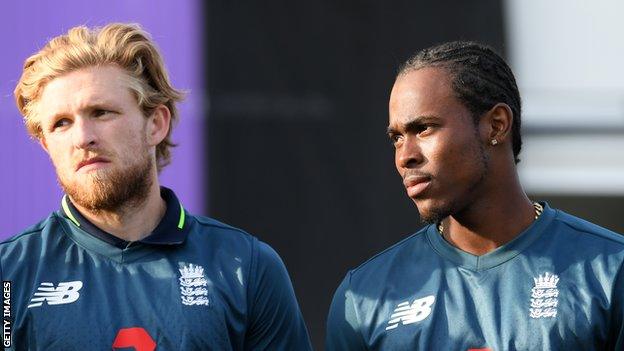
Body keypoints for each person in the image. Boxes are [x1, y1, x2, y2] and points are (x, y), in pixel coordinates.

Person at [1, 23, 312, 350]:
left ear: (156, 124)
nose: (82, 138)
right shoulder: (8, 275)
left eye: (101, 112)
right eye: (61, 123)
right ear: (47, 145)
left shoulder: (246, 266)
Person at [326, 41, 624, 350]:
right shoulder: (363, 297)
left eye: (424, 128)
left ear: (496, 125)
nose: (405, 156)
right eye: (397, 138)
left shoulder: (612, 273)